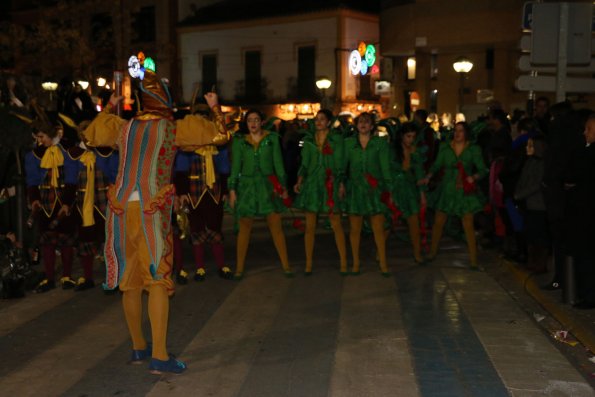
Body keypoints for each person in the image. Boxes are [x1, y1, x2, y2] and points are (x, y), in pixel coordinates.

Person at [82, 55, 229, 375]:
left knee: (130, 282)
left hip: (121, 210)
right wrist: (215, 106)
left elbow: (91, 135)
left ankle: (138, 347)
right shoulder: (173, 128)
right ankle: (160, 356)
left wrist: (109, 105)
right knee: (158, 279)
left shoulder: (124, 127)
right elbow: (220, 137)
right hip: (151, 210)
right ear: (165, 100)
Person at [228, 109, 293, 279]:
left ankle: (286, 265)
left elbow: (278, 164)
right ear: (246, 123)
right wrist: (233, 190)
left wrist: (283, 187)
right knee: (244, 229)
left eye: (256, 119)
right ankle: (239, 268)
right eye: (250, 120)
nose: (253, 123)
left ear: (262, 122)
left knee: (276, 227)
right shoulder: (240, 142)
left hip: (267, 187)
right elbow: (235, 168)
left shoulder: (271, 140)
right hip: (247, 188)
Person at [422, 121, 488, 269]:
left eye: (461, 131)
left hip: (464, 191)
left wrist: (473, 177)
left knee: (468, 225)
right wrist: (428, 176)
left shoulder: (473, 149)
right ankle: (432, 252)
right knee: (438, 223)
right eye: (456, 131)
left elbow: (483, 169)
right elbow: (436, 165)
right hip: (447, 190)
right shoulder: (445, 148)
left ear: (466, 133)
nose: (457, 134)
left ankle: (473, 260)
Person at [63, 115, 118, 291]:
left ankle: (114, 278)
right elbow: (70, 181)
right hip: (83, 204)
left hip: (105, 201)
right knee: (85, 240)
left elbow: (114, 175)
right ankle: (87, 277)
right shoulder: (73, 155)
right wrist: (66, 202)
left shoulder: (106, 152)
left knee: (110, 239)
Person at [25, 118, 78, 292]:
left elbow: (72, 178)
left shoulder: (67, 149)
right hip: (45, 201)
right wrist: (34, 200)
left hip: (64, 199)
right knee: (47, 241)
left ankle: (67, 277)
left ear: (49, 133)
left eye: (41, 136)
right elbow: (32, 181)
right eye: (37, 137)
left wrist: (68, 203)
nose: (40, 141)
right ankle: (49, 278)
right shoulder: (34, 155)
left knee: (65, 240)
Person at [293, 109, 347, 275]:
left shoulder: (336, 139)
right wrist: (300, 180)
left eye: (322, 119)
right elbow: (305, 163)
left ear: (329, 122)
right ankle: (308, 264)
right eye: (317, 119)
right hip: (313, 184)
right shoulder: (308, 140)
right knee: (310, 227)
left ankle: (344, 263)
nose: (319, 122)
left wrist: (340, 182)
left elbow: (341, 162)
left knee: (337, 225)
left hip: (330, 182)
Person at [341, 112, 393, 276]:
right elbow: (343, 167)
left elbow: (385, 167)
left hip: (374, 189)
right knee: (355, 229)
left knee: (378, 228)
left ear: (372, 126)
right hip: (355, 190)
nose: (363, 124)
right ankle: (355, 263)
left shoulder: (380, 143)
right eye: (360, 121)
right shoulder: (348, 143)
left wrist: (388, 189)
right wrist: (341, 183)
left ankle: (383, 263)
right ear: (356, 125)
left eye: (367, 122)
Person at [173, 142, 233, 283]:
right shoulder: (188, 145)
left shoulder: (218, 145)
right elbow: (181, 169)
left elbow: (224, 169)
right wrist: (182, 192)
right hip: (193, 193)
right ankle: (200, 267)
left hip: (214, 192)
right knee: (196, 228)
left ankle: (221, 265)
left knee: (215, 227)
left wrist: (224, 190)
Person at [565, 114, 595, 309]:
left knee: (586, 257)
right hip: (585, 213)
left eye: (589, 129)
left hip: (587, 215)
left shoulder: (587, 154)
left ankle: (588, 295)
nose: (585, 133)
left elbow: (572, 176)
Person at [391, 122, 426, 264]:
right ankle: (379, 252)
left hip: (410, 190)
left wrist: (422, 194)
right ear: (401, 136)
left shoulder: (415, 151)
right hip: (396, 188)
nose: (410, 139)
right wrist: (391, 193)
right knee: (389, 222)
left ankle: (417, 253)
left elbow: (419, 173)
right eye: (408, 136)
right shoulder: (393, 150)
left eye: (413, 136)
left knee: (414, 223)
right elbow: (389, 171)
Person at [514, 135, 548, 273]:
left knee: (539, 235)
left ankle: (540, 263)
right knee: (530, 234)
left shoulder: (542, 163)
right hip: (528, 204)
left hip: (538, 204)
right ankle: (532, 261)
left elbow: (536, 184)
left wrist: (520, 194)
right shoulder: (529, 162)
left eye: (531, 146)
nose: (527, 148)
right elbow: (523, 180)